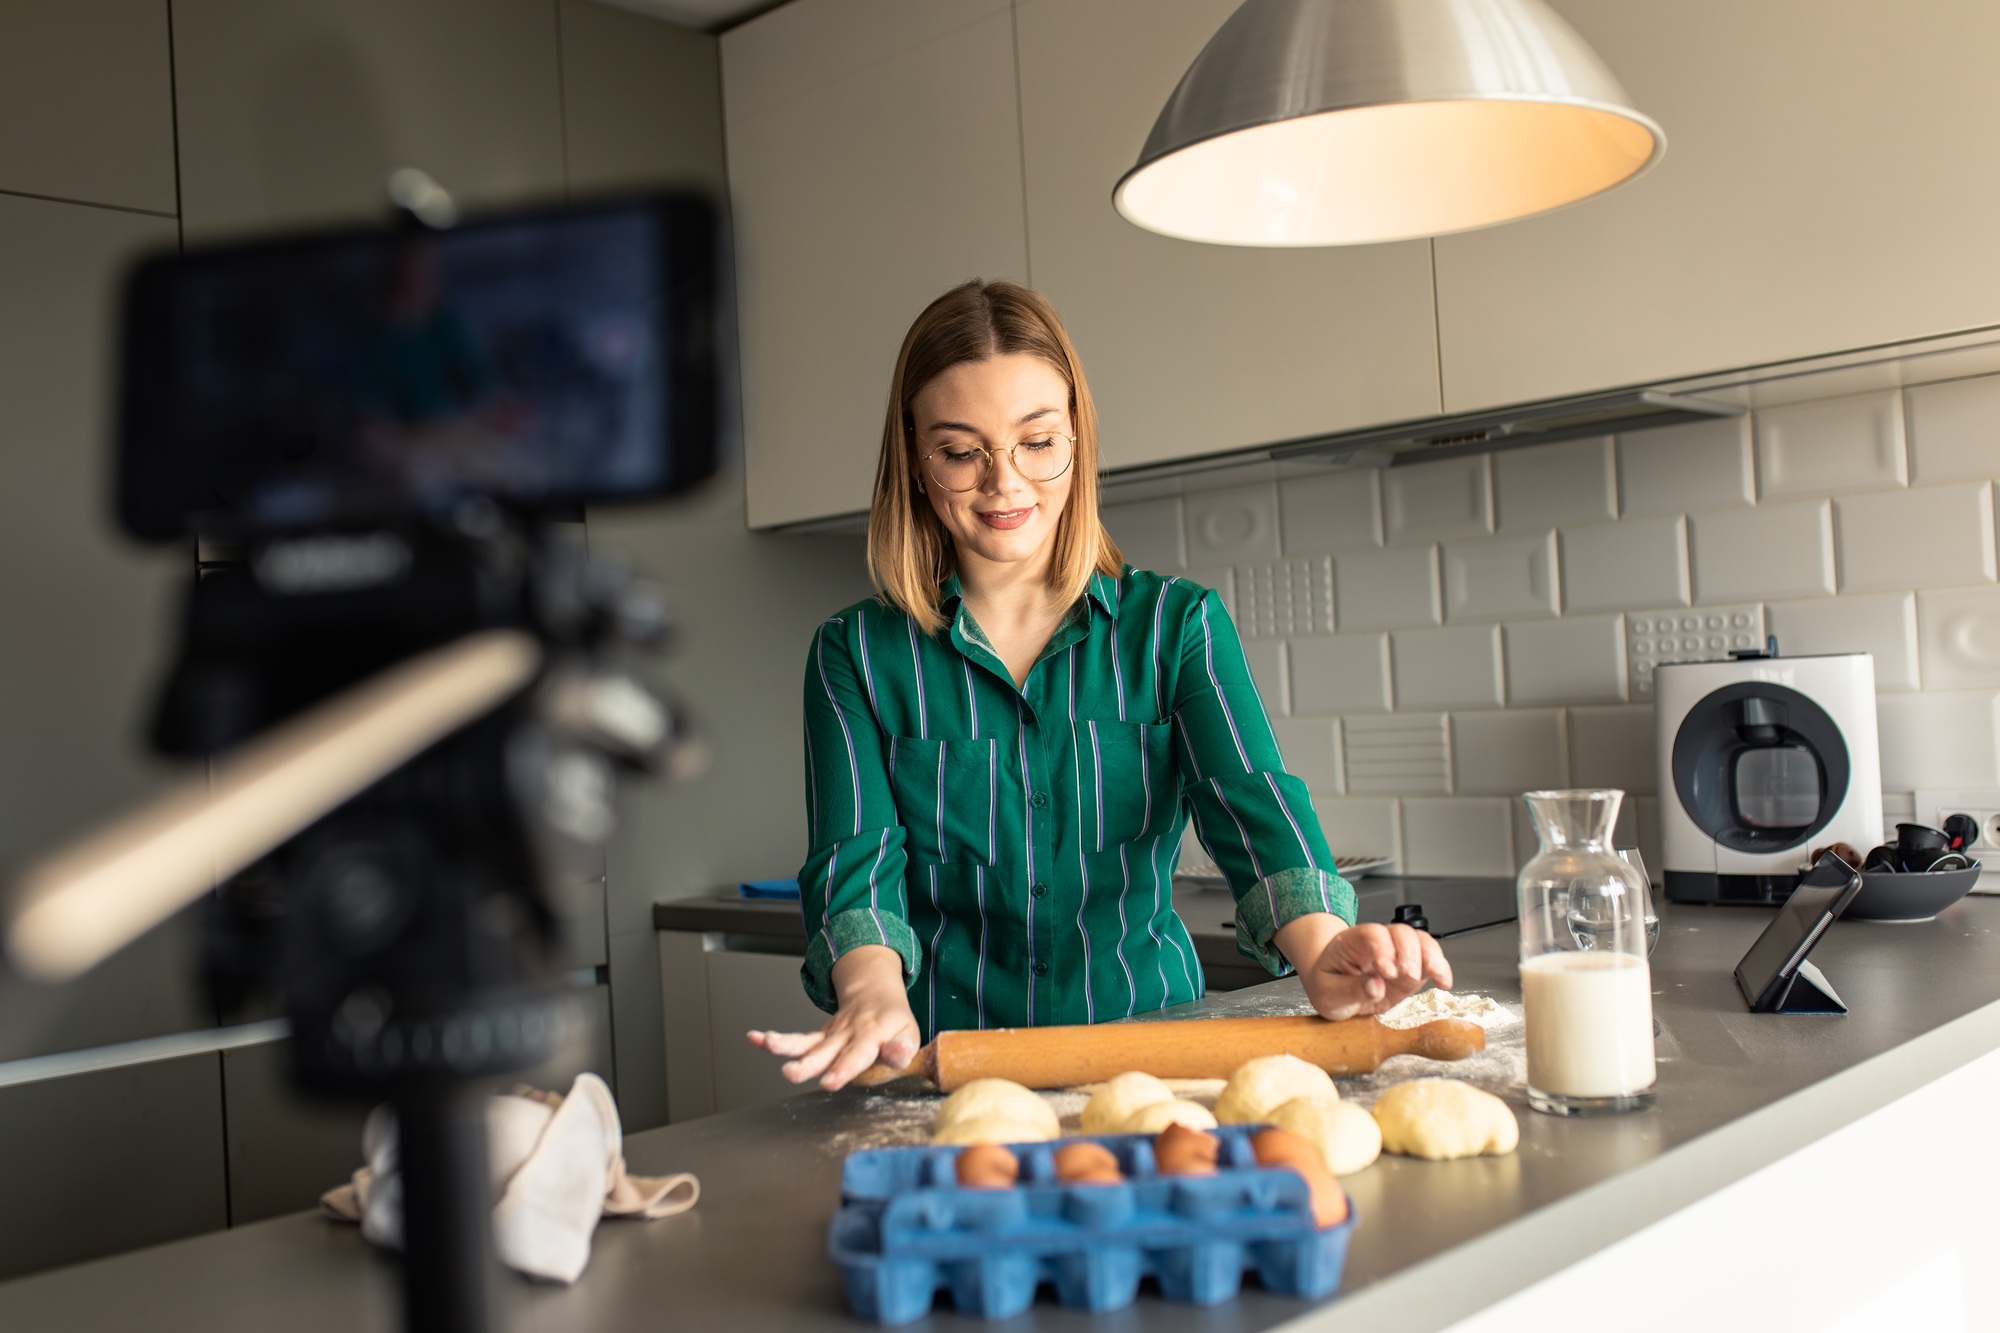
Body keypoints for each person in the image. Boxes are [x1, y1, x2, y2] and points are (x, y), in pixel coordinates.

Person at [749, 281, 1451, 1092]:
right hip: (946, 1073)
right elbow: (855, 866)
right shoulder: (857, 654)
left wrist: (1325, 950)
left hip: (1153, 1071)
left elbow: (1255, 812)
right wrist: (870, 994)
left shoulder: (1174, 626)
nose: (1004, 483)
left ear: (1076, 440)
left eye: (1036, 441)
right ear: (914, 457)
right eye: (960, 450)